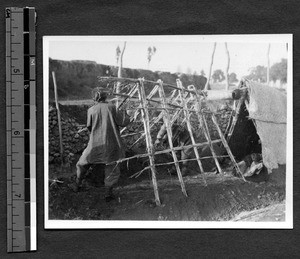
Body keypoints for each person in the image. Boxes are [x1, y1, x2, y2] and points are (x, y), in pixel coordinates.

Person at [70, 88, 131, 202]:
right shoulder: (112, 107)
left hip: (95, 143)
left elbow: (89, 127)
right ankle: (108, 193)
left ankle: (77, 185)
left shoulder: (91, 110)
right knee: (111, 166)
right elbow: (124, 122)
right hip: (112, 143)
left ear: (94, 98)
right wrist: (127, 114)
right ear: (105, 97)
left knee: (83, 162)